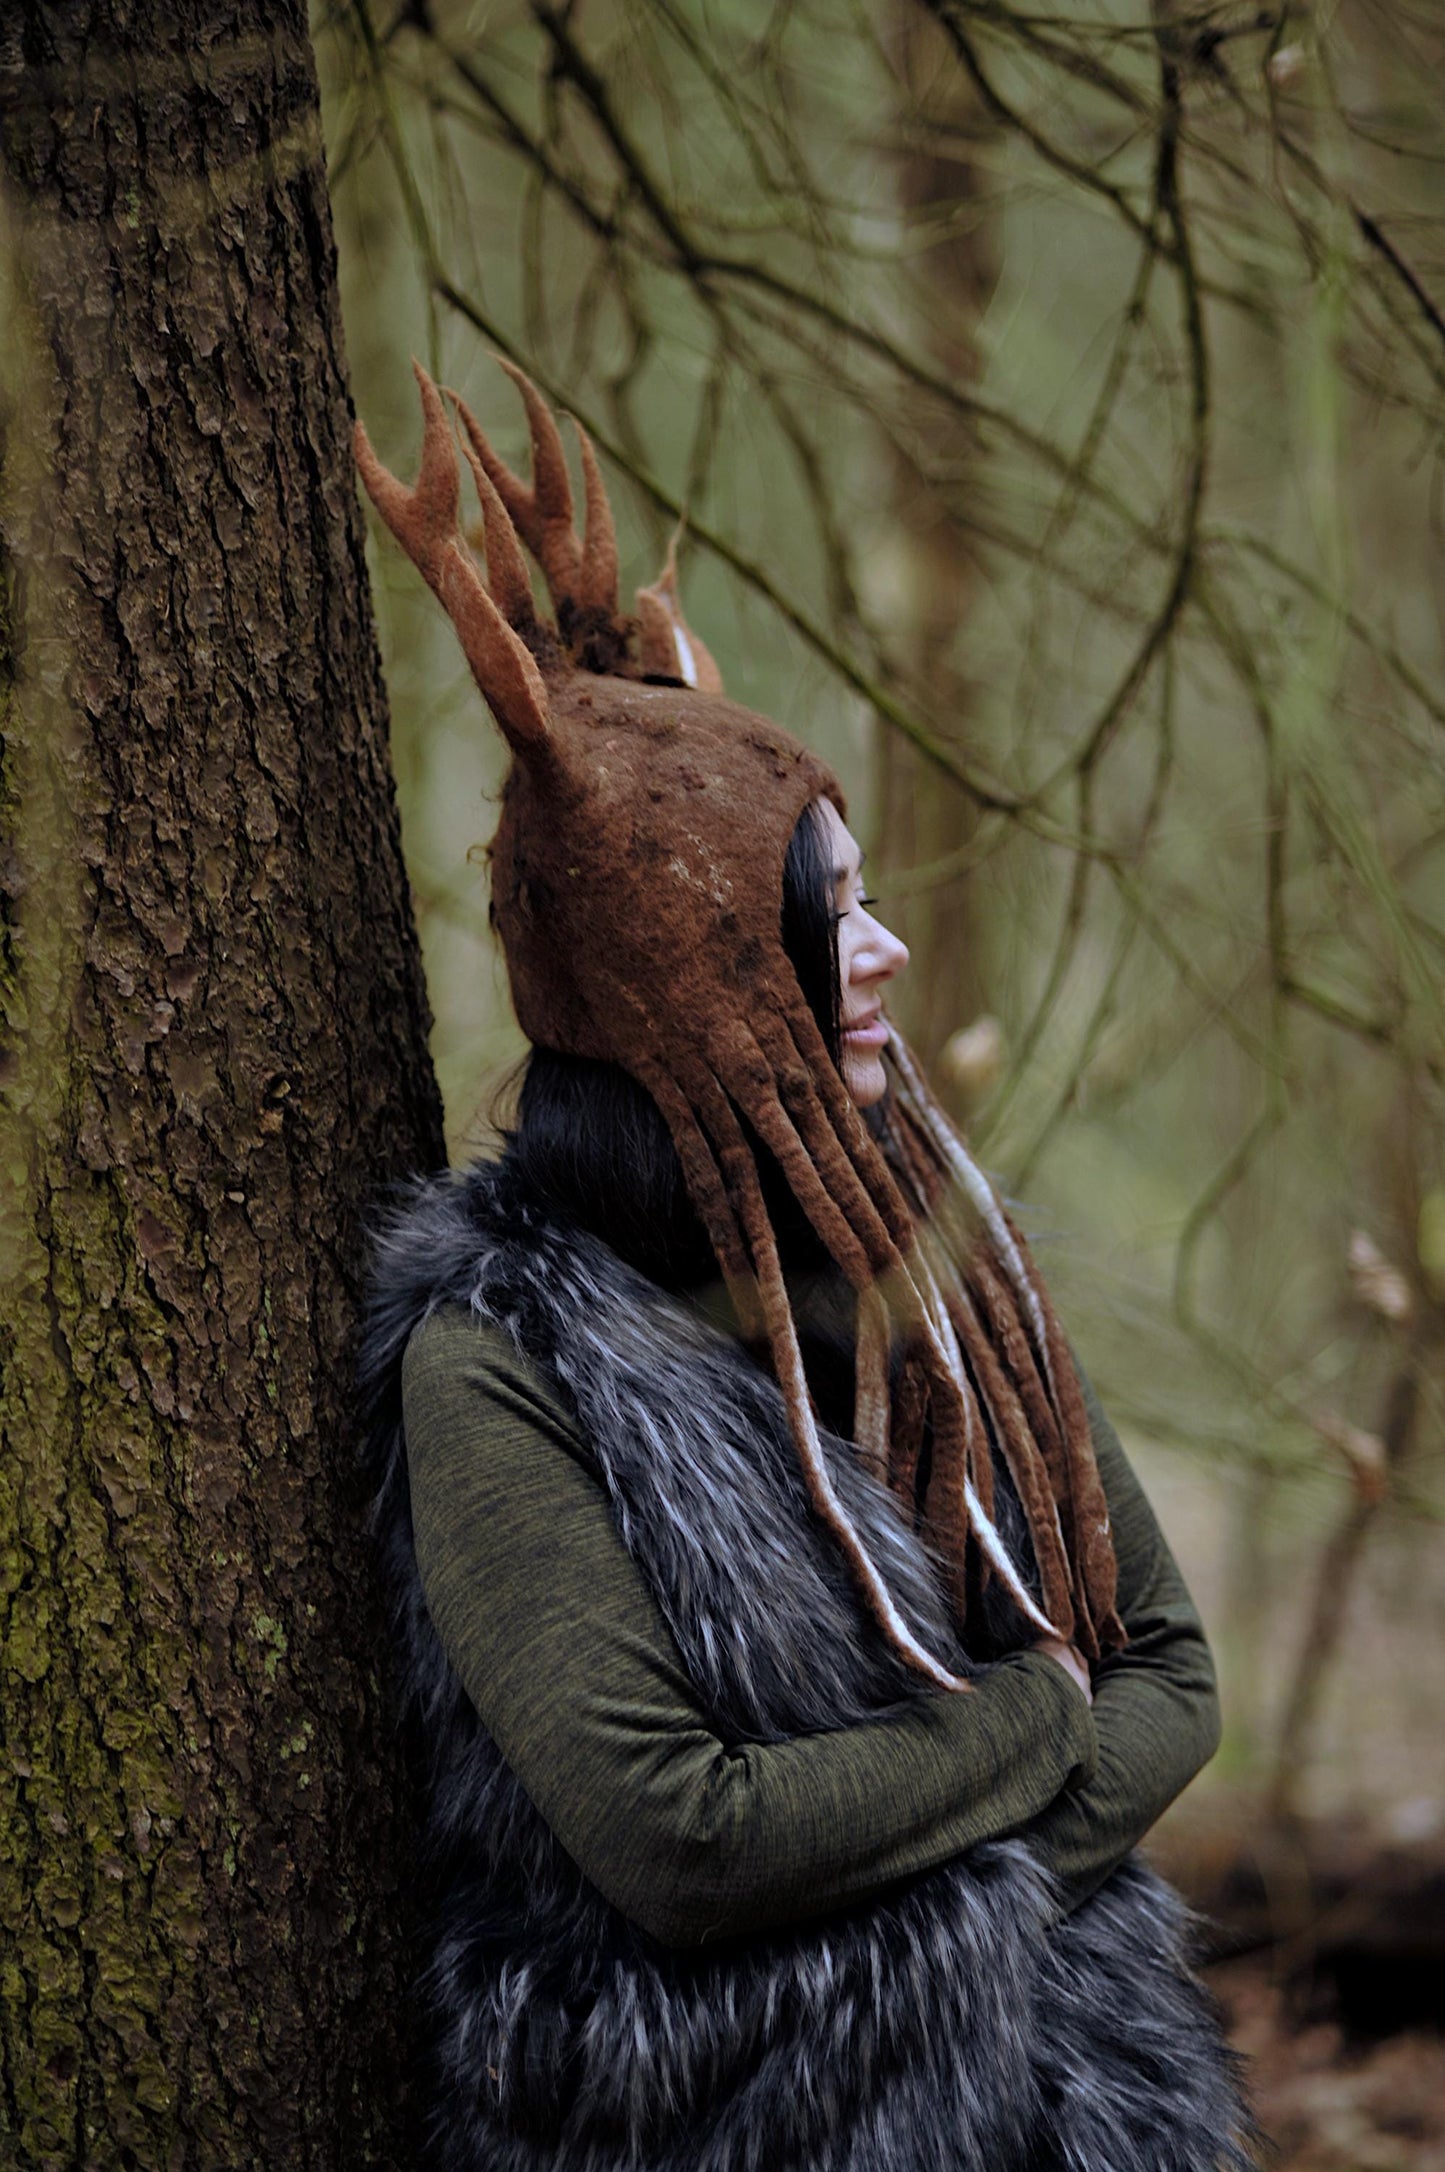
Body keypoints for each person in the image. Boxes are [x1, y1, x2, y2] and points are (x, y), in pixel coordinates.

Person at [356, 360, 1254, 2171]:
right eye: (821, 914)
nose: (888, 950)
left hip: (1057, 2074)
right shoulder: (500, 1361)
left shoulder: (936, 1277)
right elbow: (680, 1839)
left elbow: (1165, 1668)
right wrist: (1019, 1728)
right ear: (687, 976)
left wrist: (964, 1899)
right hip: (718, 2110)